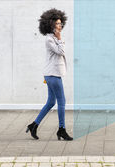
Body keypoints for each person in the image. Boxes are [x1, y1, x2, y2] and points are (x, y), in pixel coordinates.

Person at [26, 8, 73, 141]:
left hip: (52, 74)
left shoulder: (53, 38)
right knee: (62, 102)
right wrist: (60, 39)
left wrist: (58, 38)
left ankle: (34, 125)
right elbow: (61, 51)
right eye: (57, 24)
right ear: (51, 25)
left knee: (51, 102)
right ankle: (61, 130)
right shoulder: (49, 39)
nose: (60, 26)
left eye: (60, 23)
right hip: (52, 74)